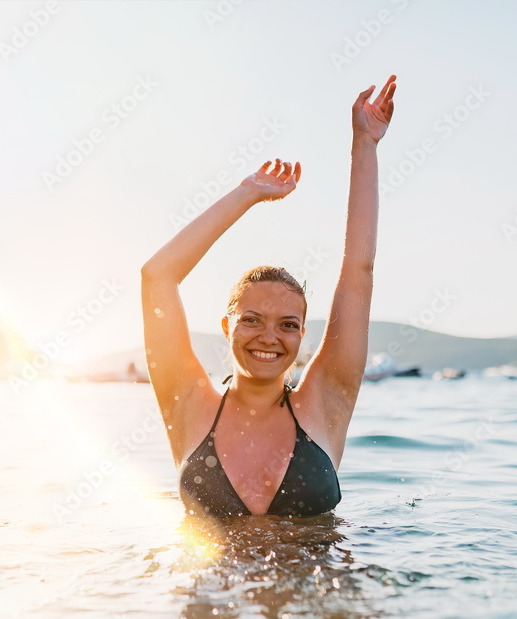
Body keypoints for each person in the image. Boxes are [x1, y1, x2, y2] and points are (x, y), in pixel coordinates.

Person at [141, 76, 397, 518]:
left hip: (319, 586)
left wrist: (365, 145)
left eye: (288, 325)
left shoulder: (325, 401)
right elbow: (157, 276)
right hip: (211, 590)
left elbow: (359, 271)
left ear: (302, 335)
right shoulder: (187, 402)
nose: (269, 337)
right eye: (252, 319)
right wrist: (247, 194)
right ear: (227, 326)